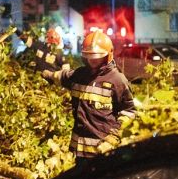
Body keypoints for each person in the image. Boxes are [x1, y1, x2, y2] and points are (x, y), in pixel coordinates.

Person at [42, 31, 136, 161]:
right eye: (89, 56)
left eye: (97, 56)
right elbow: (63, 76)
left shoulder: (117, 80)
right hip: (77, 149)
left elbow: (129, 112)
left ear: (107, 56)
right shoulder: (79, 75)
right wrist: (48, 75)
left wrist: (115, 135)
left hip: (103, 151)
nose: (93, 60)